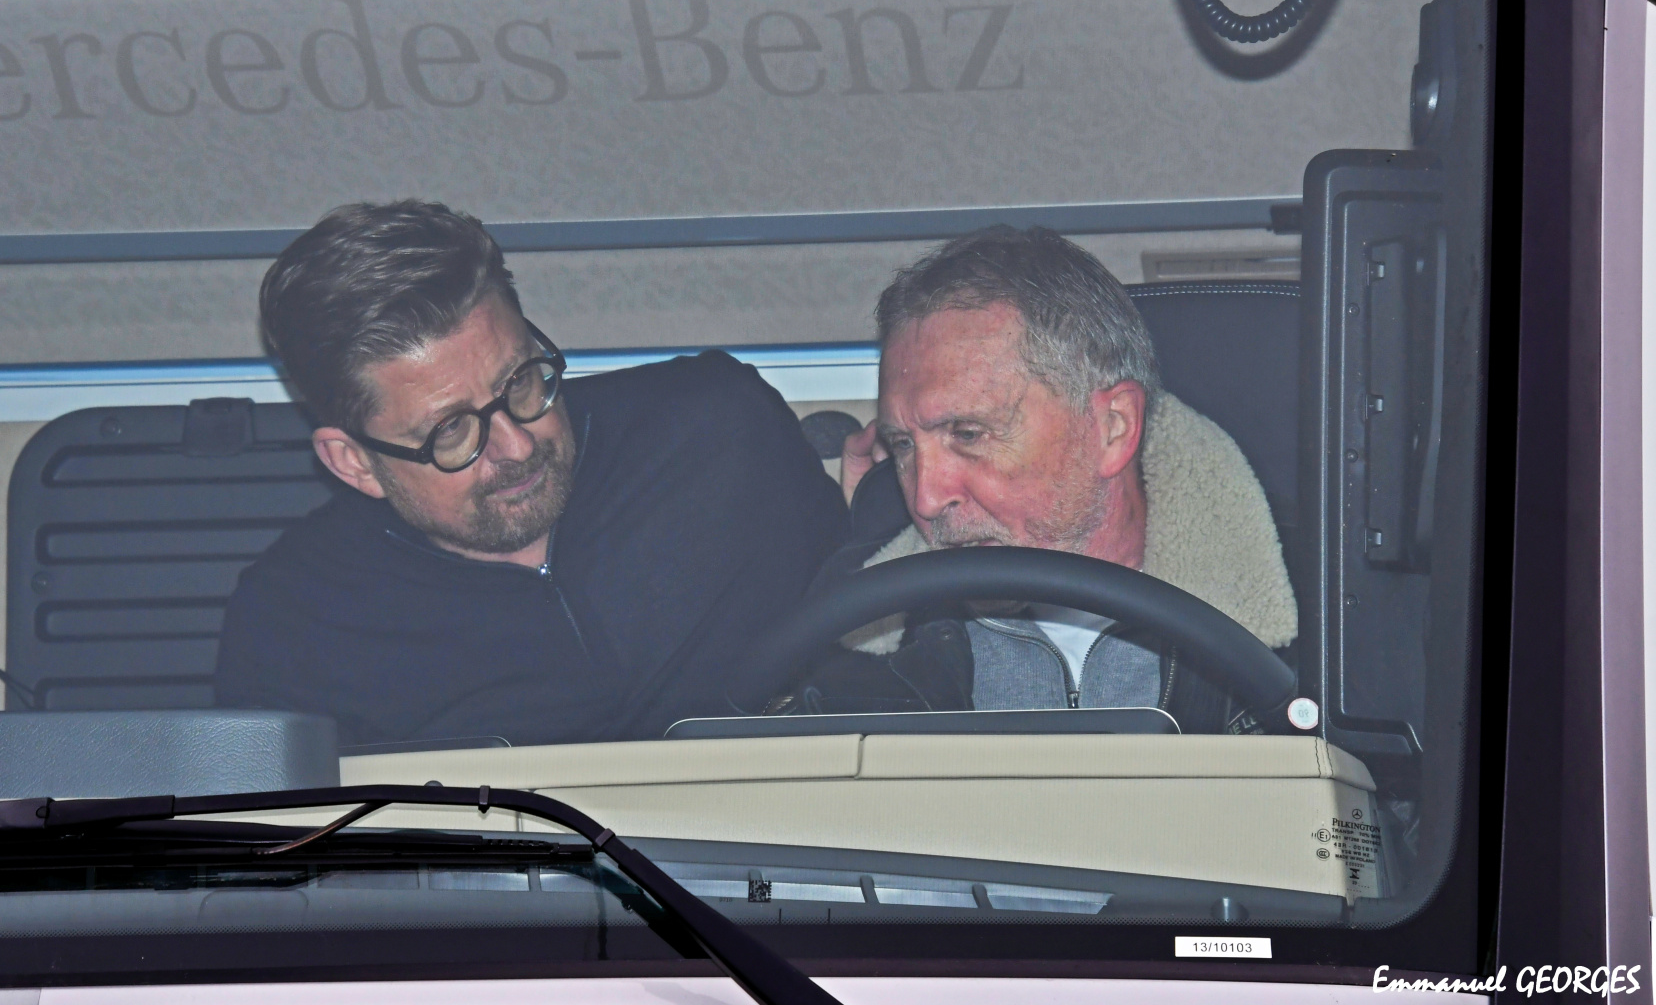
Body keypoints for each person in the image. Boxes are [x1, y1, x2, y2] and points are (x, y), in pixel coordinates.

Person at [215, 200, 847, 747]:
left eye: (520, 380)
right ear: (354, 463)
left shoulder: (719, 430)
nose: (517, 446)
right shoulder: (294, 623)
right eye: (451, 431)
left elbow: (872, 640)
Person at [780, 225, 1297, 733]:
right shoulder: (851, 630)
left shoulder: (1316, 623)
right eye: (903, 445)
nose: (927, 497)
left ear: (1112, 427)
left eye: (968, 433)